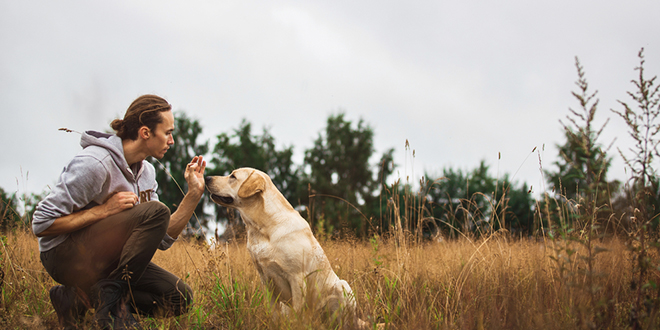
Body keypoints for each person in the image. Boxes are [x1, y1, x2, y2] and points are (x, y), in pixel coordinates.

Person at [32, 94, 206, 329]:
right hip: (62, 256)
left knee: (179, 297)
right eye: (167, 133)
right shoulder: (95, 163)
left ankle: (74, 300)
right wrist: (103, 211)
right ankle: (113, 309)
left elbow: (162, 239)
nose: (171, 141)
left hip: (106, 260)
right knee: (157, 211)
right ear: (145, 133)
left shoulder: (147, 173)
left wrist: (193, 195)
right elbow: (41, 224)